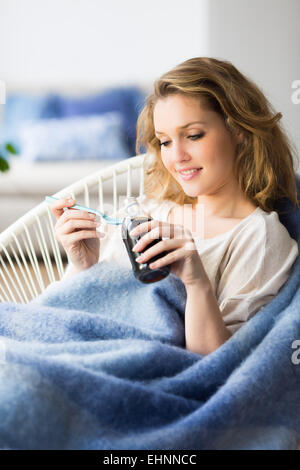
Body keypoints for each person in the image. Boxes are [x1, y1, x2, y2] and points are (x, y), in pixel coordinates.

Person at [50, 57, 299, 356]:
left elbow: (219, 369)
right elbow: (62, 318)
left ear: (239, 130)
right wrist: (84, 265)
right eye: (165, 142)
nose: (177, 156)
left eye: (193, 135)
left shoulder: (259, 238)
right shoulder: (147, 211)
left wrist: (196, 283)